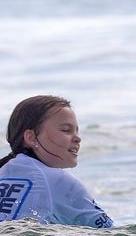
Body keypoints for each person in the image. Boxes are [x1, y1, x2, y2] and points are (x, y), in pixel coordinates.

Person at [0, 95, 113, 228]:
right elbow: (109, 233)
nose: (78, 138)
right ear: (31, 137)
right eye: (66, 130)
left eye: (77, 131)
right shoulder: (59, 181)